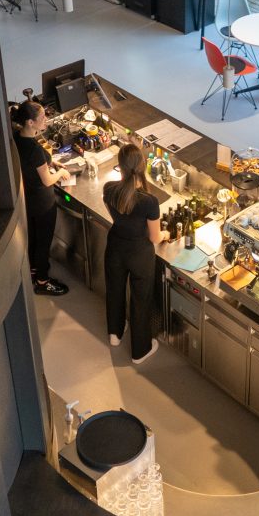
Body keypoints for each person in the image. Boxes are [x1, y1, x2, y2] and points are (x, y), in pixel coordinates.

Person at [103, 143, 163, 363]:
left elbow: (117, 216)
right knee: (140, 299)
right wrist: (165, 234)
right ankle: (140, 350)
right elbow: (154, 237)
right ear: (142, 166)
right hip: (139, 254)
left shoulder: (109, 189)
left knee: (115, 290)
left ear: (120, 166)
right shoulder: (149, 201)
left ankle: (115, 333)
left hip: (115, 248)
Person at [10, 100, 71, 296]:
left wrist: (51, 163)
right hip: (43, 204)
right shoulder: (34, 150)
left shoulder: (16, 138)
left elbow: (34, 165)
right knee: (43, 242)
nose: (46, 119)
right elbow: (47, 180)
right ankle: (43, 282)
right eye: (42, 117)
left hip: (27, 199)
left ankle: (33, 271)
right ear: (30, 122)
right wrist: (61, 173)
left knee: (34, 239)